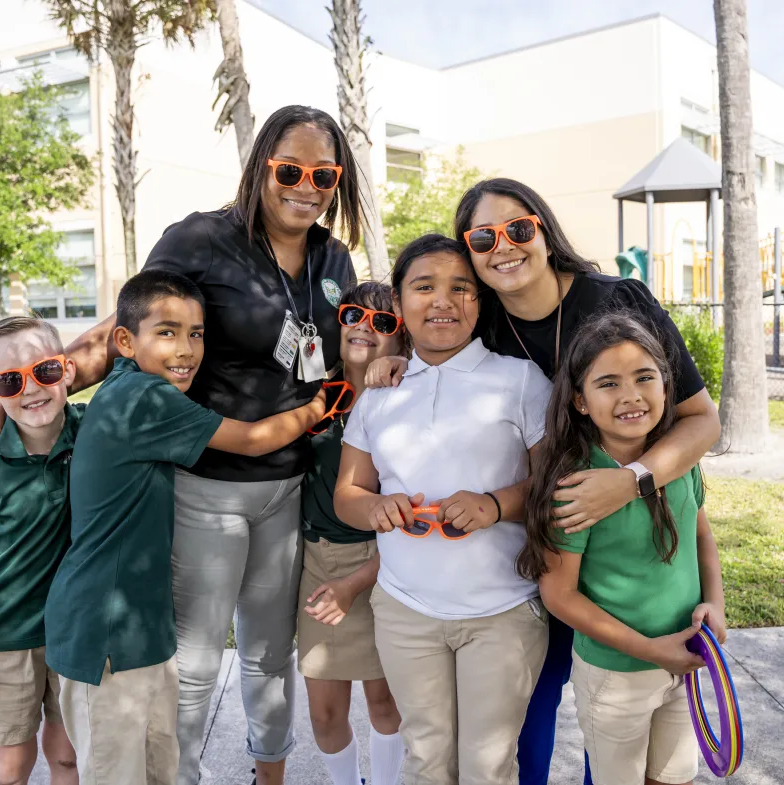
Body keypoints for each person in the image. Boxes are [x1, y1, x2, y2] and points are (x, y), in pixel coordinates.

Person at [365, 178, 721, 785]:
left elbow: (702, 420)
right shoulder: (489, 326)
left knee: (621, 718)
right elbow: (438, 343)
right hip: (542, 546)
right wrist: (395, 352)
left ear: (543, 230)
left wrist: (630, 483)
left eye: (517, 229)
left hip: (631, 534)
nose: (503, 246)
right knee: (534, 710)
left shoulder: (618, 301)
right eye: (483, 237)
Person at [62, 105, 363, 785]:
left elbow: (349, 354)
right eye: (289, 169)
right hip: (206, 487)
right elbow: (129, 328)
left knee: (268, 653)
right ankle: (183, 775)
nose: (305, 185)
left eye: (323, 173)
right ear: (260, 166)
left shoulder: (332, 257)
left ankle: (270, 775)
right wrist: (44, 376)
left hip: (288, 490)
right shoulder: (200, 240)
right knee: (196, 662)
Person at [44, 271, 326, 785]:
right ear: (124, 341)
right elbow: (254, 439)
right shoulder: (145, 399)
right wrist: (319, 407)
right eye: (167, 332)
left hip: (142, 631)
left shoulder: (133, 392)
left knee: (160, 772)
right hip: (106, 632)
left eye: (196, 333)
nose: (187, 349)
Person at [334, 234, 552, 785]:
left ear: (480, 301)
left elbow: (553, 483)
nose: (443, 301)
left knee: (488, 765)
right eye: (423, 287)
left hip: (502, 611)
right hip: (406, 609)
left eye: (461, 288)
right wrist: (378, 507)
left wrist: (494, 504)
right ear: (401, 303)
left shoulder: (519, 380)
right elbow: (348, 495)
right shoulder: (381, 393)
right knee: (426, 760)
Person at [520, 311, 725, 785]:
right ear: (581, 401)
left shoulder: (678, 460)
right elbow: (560, 595)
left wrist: (714, 604)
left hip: (685, 658)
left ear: (667, 386)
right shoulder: (576, 486)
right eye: (608, 383)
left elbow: (700, 535)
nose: (631, 395)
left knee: (674, 778)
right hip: (616, 674)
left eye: (645, 377)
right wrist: (652, 650)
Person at [298, 281, 406, 785]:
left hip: (384, 561)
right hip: (319, 559)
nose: (365, 327)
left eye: (383, 322)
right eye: (353, 315)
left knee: (385, 701)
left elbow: (410, 518)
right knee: (323, 710)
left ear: (400, 340)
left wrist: (357, 583)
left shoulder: (407, 401)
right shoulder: (313, 392)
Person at [0, 317, 80, 785]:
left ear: (67, 370)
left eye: (44, 371)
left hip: (72, 631)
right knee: (11, 764)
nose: (31, 389)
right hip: (8, 636)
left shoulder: (95, 435)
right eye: (10, 380)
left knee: (68, 755)